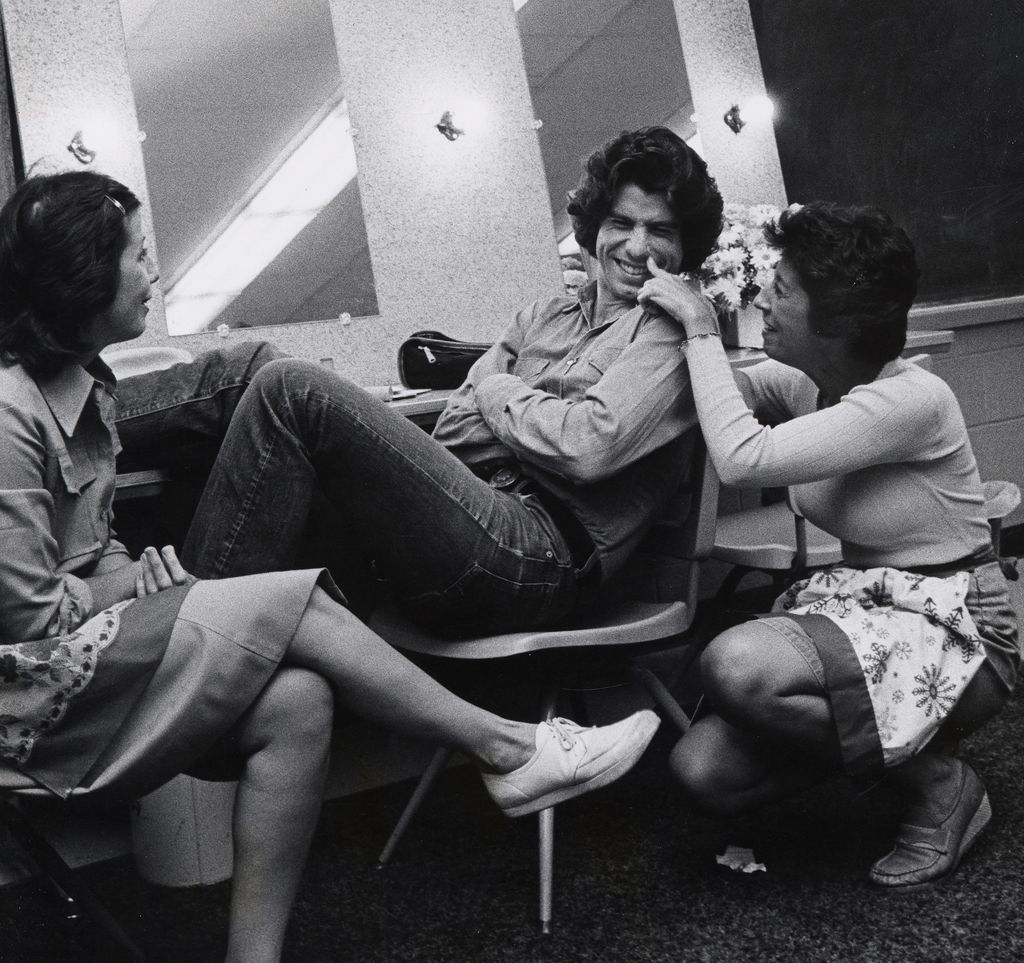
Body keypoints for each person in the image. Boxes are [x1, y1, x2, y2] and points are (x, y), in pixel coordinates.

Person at [0, 171, 661, 963]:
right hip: (36, 702)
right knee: (294, 599)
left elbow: (90, 553)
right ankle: (510, 749)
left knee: (300, 699)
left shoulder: (89, 392)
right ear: (84, 277)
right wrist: (115, 586)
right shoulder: (9, 413)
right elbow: (30, 625)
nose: (152, 272)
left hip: (98, 655)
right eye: (138, 256)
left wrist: (129, 573)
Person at [122, 125, 724, 638]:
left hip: (534, 557)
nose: (636, 247)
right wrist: (532, 424)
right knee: (249, 379)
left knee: (290, 389)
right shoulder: (542, 317)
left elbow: (588, 449)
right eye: (621, 222)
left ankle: (187, 641)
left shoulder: (673, 331)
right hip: (462, 522)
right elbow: (456, 429)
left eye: (661, 231)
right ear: (594, 225)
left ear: (685, 243)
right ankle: (77, 418)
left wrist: (498, 392)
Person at [636, 201, 1019, 891]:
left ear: (835, 322)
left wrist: (697, 326)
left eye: (781, 291)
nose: (763, 302)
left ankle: (941, 783)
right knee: (704, 773)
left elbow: (743, 457)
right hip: (869, 618)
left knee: (738, 665)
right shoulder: (820, 384)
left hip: (954, 630)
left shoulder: (911, 399)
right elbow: (734, 384)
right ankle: (896, 746)